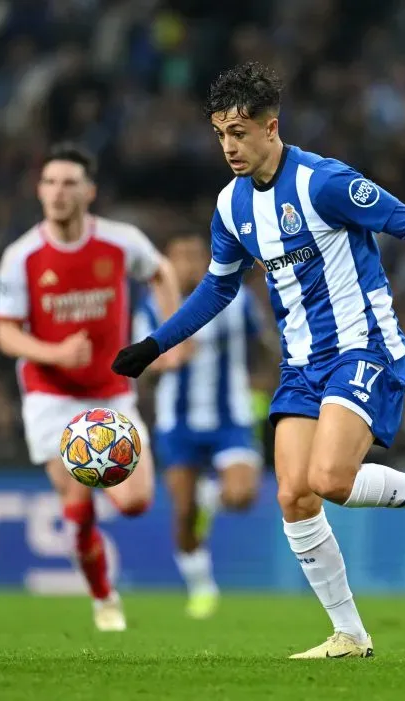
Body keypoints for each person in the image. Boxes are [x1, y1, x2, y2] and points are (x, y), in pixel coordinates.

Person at [112, 62, 405, 659]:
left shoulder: (322, 183)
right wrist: (153, 347)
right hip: (301, 365)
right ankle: (350, 634)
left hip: (364, 345)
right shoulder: (230, 207)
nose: (229, 146)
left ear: (272, 127)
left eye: (240, 132)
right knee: (294, 495)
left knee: (331, 480)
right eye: (220, 133)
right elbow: (217, 288)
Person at [0, 142, 182, 632]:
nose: (58, 192)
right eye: (50, 182)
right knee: (78, 509)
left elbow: (160, 272)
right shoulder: (22, 256)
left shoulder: (121, 242)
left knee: (136, 502)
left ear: (89, 191)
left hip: (110, 393)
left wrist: (171, 338)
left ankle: (97, 517)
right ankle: (104, 599)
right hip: (50, 396)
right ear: (39, 190)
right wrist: (55, 353)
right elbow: (6, 331)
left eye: (69, 183)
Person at [133, 233, 265, 620]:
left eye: (195, 256)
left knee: (241, 497)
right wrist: (168, 359)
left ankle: (214, 497)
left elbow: (263, 346)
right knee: (183, 510)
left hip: (231, 416)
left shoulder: (238, 300)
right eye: (180, 257)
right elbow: (144, 362)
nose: (189, 264)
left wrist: (263, 385)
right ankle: (201, 586)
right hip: (179, 421)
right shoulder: (153, 307)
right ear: (168, 264)